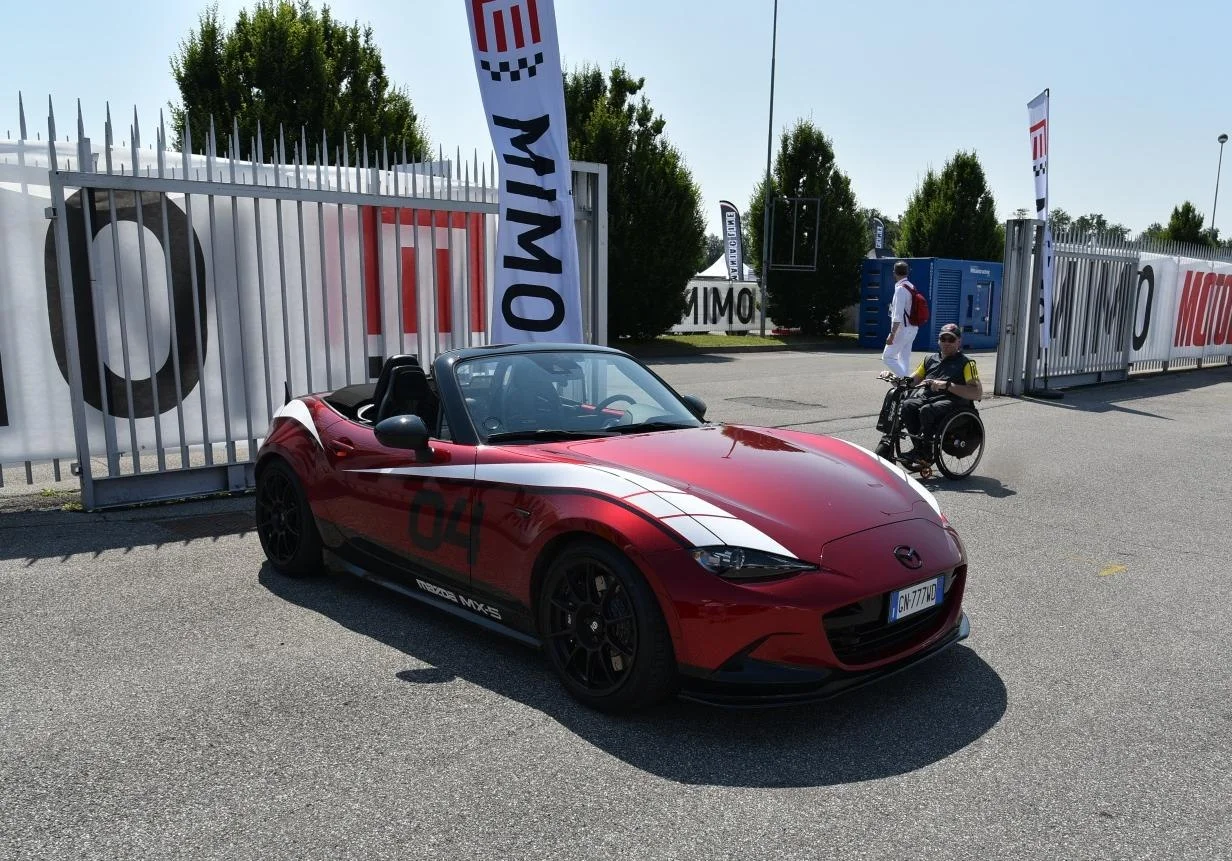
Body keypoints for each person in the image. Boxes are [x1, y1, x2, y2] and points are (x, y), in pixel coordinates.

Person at [899, 323, 983, 468]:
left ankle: (926, 452)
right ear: (938, 341)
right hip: (928, 399)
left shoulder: (967, 363)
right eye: (943, 339)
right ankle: (919, 448)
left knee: (927, 410)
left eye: (951, 339)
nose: (946, 342)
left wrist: (947, 385)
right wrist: (896, 380)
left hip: (954, 403)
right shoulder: (929, 359)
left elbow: (977, 393)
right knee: (907, 405)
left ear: (959, 342)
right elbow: (912, 381)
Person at [881, 260, 918, 377]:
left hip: (903, 329)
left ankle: (908, 382)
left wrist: (892, 334)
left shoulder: (900, 289)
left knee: (887, 357)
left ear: (894, 273)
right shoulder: (911, 286)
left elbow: (897, 315)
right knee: (903, 359)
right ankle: (904, 385)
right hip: (913, 328)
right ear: (907, 272)